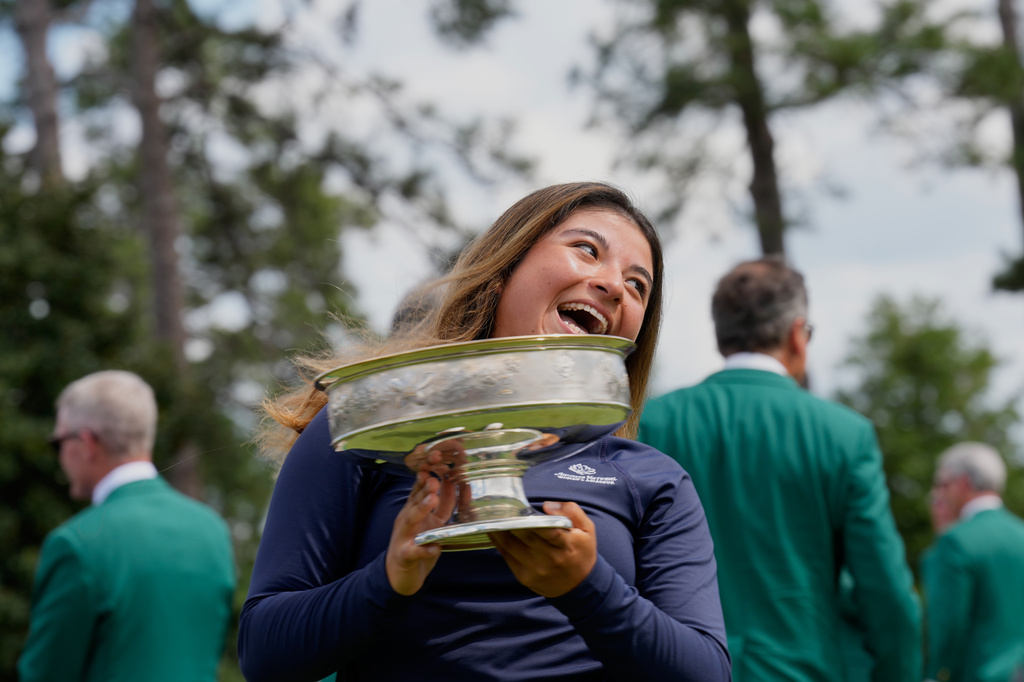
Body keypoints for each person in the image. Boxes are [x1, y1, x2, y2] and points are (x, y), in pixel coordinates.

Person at [238, 182, 731, 681]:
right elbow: (264, 655)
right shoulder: (372, 429)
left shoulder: (649, 479)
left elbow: (708, 674)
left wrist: (587, 587)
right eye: (587, 250)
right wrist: (388, 579)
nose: (613, 285)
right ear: (504, 268)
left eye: (637, 284)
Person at [637, 256, 920, 682]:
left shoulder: (652, 422)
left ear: (721, 336)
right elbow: (887, 593)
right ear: (797, 334)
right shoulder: (844, 434)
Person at [18, 370, 237, 682]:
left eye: (59, 442)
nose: (60, 456)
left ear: (86, 443)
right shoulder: (211, 530)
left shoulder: (75, 543)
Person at [921, 442, 1024, 682]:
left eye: (943, 484)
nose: (941, 494)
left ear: (963, 482)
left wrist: (937, 674)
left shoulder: (956, 541)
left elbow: (948, 626)